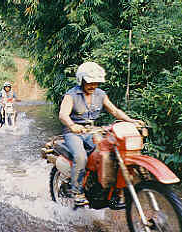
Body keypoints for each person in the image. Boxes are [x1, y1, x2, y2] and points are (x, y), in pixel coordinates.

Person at [59, 62, 144, 206]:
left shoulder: (100, 94)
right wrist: (72, 125)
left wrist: (131, 121)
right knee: (81, 156)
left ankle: (112, 190)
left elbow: (115, 111)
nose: (93, 86)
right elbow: (63, 115)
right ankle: (77, 191)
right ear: (81, 80)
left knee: (109, 152)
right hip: (73, 133)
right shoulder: (71, 95)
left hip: (93, 131)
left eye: (96, 83)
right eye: (90, 83)